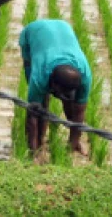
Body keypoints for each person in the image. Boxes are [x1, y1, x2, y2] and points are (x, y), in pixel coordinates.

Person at [18, 19, 92, 158]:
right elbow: (32, 115)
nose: (62, 98)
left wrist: (74, 142)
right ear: (52, 84)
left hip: (63, 28)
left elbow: (80, 110)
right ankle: (38, 143)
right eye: (60, 93)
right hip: (34, 31)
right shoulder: (39, 76)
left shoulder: (85, 75)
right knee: (40, 105)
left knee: (72, 105)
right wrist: (33, 152)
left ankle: (74, 144)